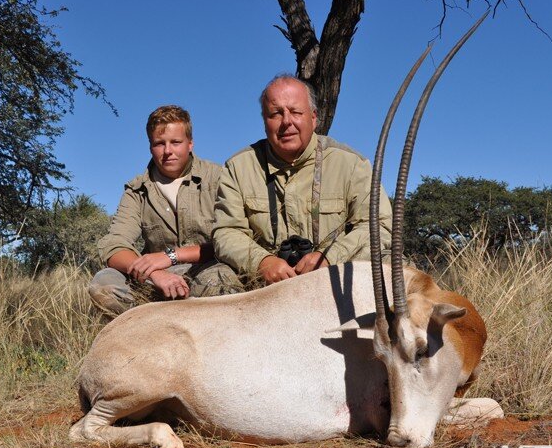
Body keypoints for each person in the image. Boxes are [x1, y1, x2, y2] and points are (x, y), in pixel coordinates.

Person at [213, 74, 392, 284]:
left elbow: (379, 226)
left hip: (336, 277)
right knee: (215, 279)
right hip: (265, 283)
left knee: (397, 268)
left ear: (314, 118)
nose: (286, 121)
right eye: (275, 114)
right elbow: (226, 232)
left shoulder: (352, 164)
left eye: (296, 112)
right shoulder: (237, 167)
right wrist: (263, 262)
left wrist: (331, 258)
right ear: (265, 122)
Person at [89, 105, 242, 316]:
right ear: (150, 147)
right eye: (159, 144)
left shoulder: (219, 178)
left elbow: (233, 240)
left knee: (221, 283)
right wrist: (156, 273)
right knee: (103, 285)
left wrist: (170, 256)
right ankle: (142, 336)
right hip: (155, 277)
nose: (168, 151)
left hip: (207, 268)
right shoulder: (137, 190)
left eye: (176, 142)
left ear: (190, 144)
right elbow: (114, 246)